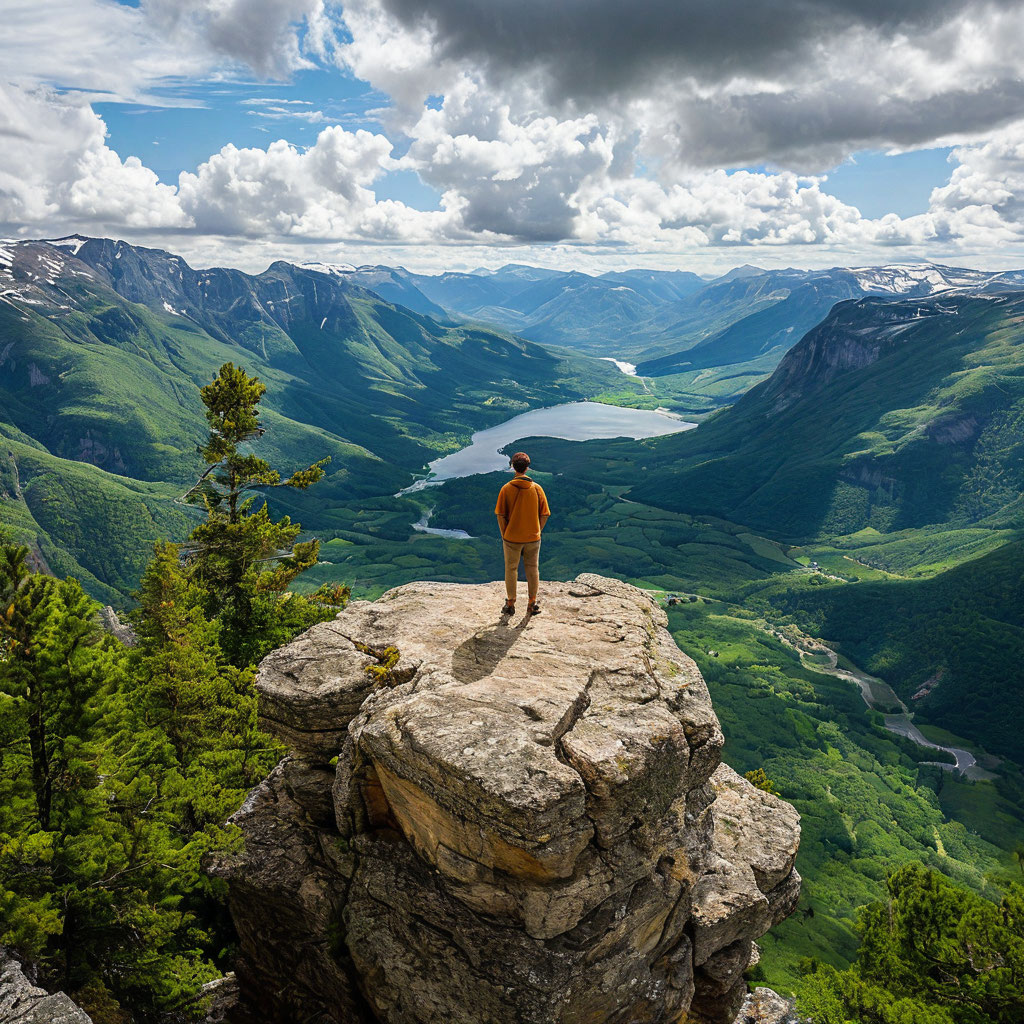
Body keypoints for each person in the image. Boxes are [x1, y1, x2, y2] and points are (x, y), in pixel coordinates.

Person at [494, 451, 550, 616]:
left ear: (512, 466)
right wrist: (537, 530)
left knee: (511, 569)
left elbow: (500, 514)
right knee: (533, 568)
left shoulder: (506, 489)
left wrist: (506, 533)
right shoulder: (537, 488)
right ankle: (532, 603)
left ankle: (510, 603)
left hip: (511, 538)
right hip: (533, 537)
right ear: (527, 467)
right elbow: (545, 514)